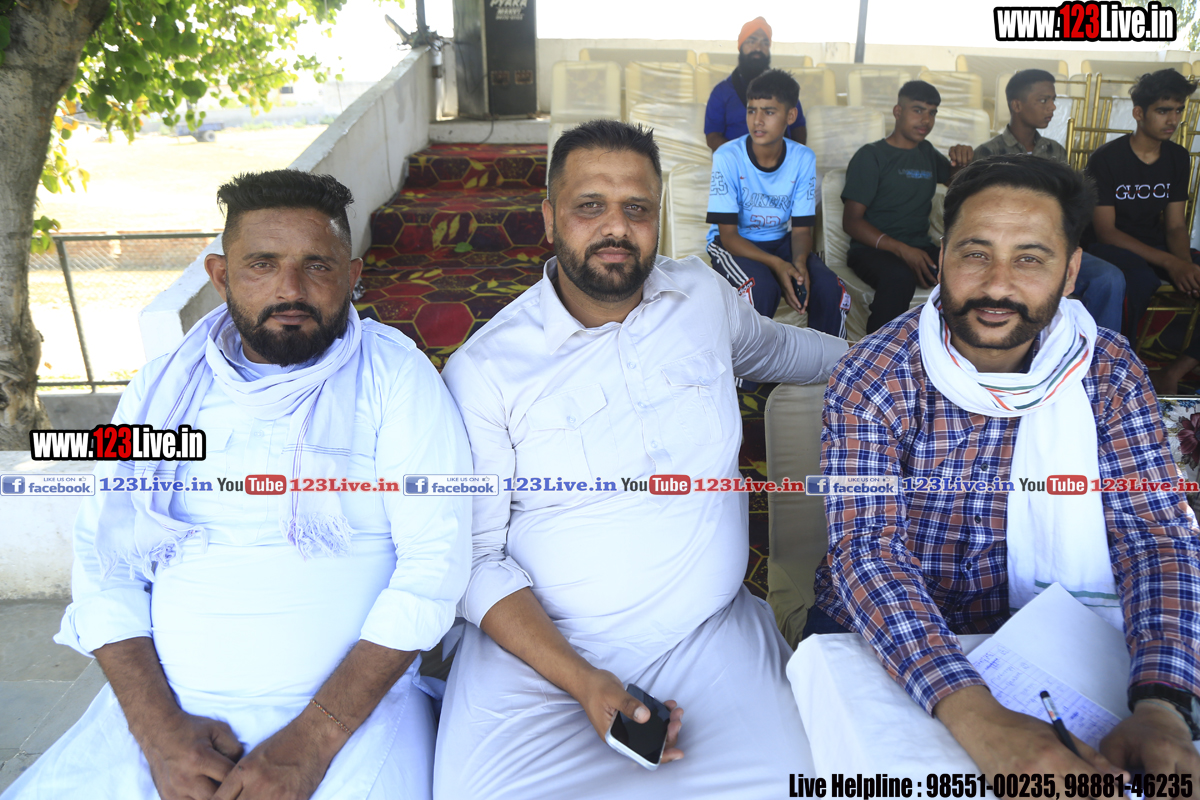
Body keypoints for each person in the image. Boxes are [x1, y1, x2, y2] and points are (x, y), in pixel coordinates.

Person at [2, 171, 471, 800]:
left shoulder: (396, 379)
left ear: (353, 276)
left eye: (317, 266)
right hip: (166, 718)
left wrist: (313, 742)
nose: (290, 288)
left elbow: (433, 567)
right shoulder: (161, 392)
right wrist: (159, 735)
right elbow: (104, 563)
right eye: (262, 264)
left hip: (349, 722)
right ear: (221, 276)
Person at [432, 119, 847, 799]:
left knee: (798, 785)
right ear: (549, 218)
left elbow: (777, 349)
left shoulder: (701, 297)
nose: (616, 229)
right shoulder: (487, 369)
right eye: (589, 206)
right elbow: (475, 560)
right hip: (539, 661)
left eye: (637, 208)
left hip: (709, 633)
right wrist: (582, 680)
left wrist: (888, 359)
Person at [810, 155, 1200, 781]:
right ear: (942, 259)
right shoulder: (875, 374)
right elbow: (867, 549)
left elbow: (1154, 533)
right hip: (890, 626)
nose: (997, 285)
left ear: (1070, 272)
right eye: (975, 253)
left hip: (1058, 632)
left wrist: (1163, 703)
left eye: (1030, 258)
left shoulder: (1108, 372)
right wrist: (980, 717)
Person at [974, 69, 1126, 334]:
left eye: (1053, 100)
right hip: (1007, 248)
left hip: (1052, 246)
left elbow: (1069, 204)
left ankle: (1099, 353)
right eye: (1043, 100)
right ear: (1016, 105)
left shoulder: (1055, 151)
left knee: (1109, 278)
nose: (1052, 107)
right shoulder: (988, 154)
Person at [706, 69, 849, 337]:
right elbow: (728, 236)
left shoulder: (803, 158)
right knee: (760, 288)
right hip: (733, 244)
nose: (757, 120)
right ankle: (747, 367)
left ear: (790, 116)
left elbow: (802, 230)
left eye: (769, 112)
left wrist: (799, 263)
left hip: (781, 242)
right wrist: (778, 265)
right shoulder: (727, 157)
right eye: (751, 110)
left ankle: (827, 362)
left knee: (831, 288)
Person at [1086, 69, 1200, 394]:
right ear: (1139, 113)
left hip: (1155, 244)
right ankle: (1120, 371)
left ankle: (1175, 371)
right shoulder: (1107, 159)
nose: (1173, 119)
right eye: (1163, 110)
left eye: (1178, 110)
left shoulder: (1177, 157)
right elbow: (1106, 232)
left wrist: (1183, 266)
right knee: (1137, 281)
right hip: (1110, 248)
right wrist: (1170, 263)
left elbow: (1175, 225)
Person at [842, 80, 974, 334]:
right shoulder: (871, 155)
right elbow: (851, 222)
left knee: (968, 264)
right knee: (899, 277)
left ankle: (955, 346)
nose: (926, 120)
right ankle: (878, 352)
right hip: (871, 250)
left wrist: (962, 160)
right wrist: (903, 250)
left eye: (932, 112)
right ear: (898, 111)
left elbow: (957, 183)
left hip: (919, 247)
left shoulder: (926, 152)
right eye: (918, 110)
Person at [704, 16, 806, 150]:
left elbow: (798, 127)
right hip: (737, 160)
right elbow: (712, 136)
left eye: (764, 43)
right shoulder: (721, 92)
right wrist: (740, 156)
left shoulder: (783, 87)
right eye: (752, 41)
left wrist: (793, 156)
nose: (758, 48)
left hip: (780, 159)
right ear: (740, 46)